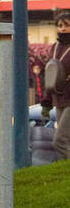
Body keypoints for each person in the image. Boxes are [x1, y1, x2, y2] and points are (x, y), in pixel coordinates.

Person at [41, 11, 70, 161]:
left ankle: (66, 171)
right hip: (59, 98)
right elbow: (51, 74)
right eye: (60, 26)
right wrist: (46, 101)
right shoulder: (55, 47)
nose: (63, 29)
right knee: (66, 140)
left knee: (60, 140)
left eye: (66, 25)